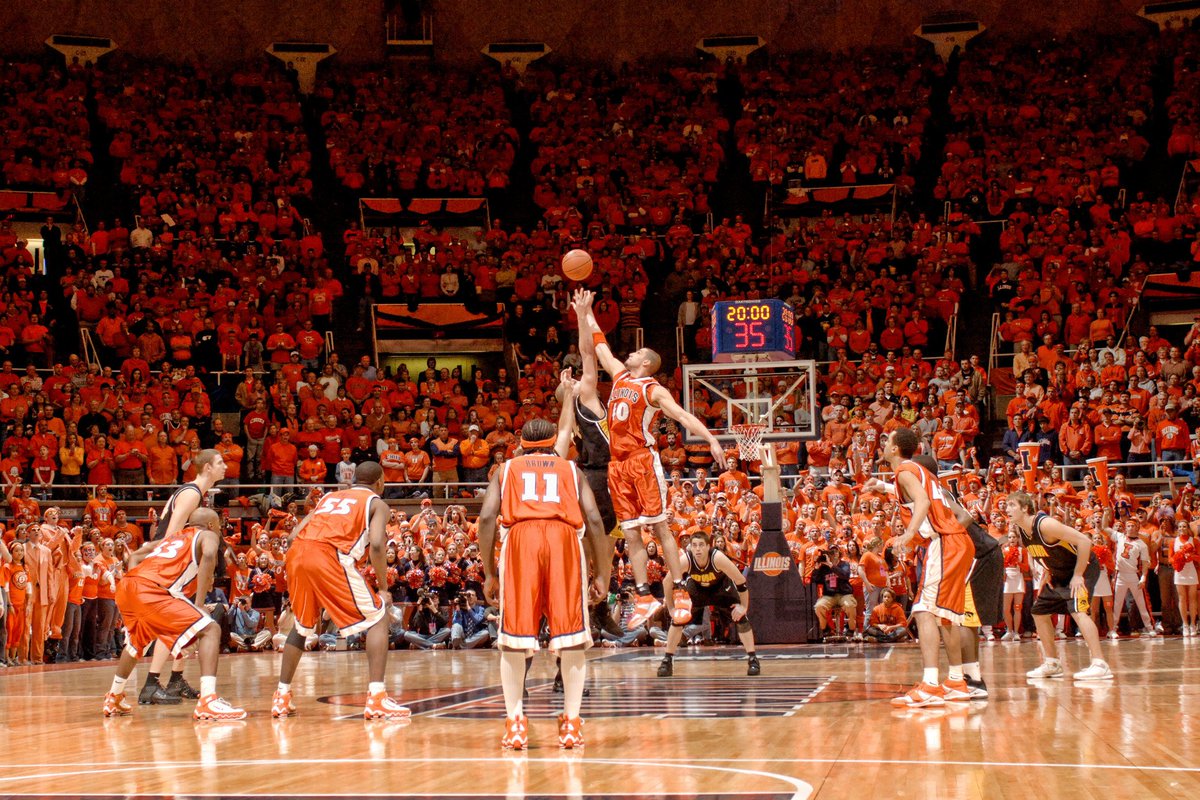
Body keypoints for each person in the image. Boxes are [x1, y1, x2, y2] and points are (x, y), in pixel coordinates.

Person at [573, 288, 726, 630]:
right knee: (630, 534)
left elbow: (684, 417)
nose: (631, 352)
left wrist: (712, 438)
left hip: (643, 461)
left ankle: (683, 589)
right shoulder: (620, 376)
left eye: (638, 351)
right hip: (618, 465)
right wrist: (585, 312)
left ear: (646, 362)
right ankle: (644, 596)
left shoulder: (653, 389)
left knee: (658, 526)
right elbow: (599, 346)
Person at [477, 418, 610, 750]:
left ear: (521, 442)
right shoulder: (570, 469)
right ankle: (572, 725)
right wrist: (602, 572)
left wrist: (490, 572)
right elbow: (594, 519)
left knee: (514, 639)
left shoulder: (505, 470)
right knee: (571, 638)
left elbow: (485, 516)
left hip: (521, 540)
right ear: (554, 443)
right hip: (563, 540)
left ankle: (516, 723)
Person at [273, 462, 410, 720]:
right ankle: (377, 697)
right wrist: (382, 587)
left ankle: (281, 696)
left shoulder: (329, 497)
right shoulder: (377, 503)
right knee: (379, 616)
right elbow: (379, 545)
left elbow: (292, 537)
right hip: (329, 555)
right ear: (380, 482)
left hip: (298, 553)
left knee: (302, 627)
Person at [864, 427, 975, 709]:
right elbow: (923, 497)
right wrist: (883, 487)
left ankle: (929, 685)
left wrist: (907, 534)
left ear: (895, 448)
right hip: (956, 543)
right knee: (945, 616)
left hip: (945, 543)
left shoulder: (904, 471)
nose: (883, 445)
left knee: (925, 611)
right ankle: (956, 681)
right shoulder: (918, 472)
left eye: (886, 441)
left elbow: (923, 502)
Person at [102, 508, 246, 720]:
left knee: (135, 643)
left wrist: (130, 576)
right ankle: (208, 701)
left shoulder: (172, 538)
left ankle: (114, 696)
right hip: (154, 589)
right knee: (211, 629)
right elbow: (207, 554)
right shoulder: (208, 534)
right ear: (212, 525)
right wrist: (198, 604)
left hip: (130, 585)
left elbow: (136, 555)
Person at [138, 448, 227, 706]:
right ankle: (151, 684)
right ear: (208, 467)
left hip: (177, 560)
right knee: (173, 622)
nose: (225, 466)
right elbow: (171, 533)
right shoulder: (191, 493)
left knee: (186, 621)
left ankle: (175, 678)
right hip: (168, 561)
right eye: (220, 462)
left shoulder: (194, 492)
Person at [1006, 491, 1113, 681]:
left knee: (1078, 610)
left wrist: (1079, 575)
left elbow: (1084, 541)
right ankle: (1052, 663)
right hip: (1059, 573)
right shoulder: (1022, 530)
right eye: (1006, 506)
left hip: (1083, 568)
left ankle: (1100, 663)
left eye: (1012, 505)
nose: (1007, 509)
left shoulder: (1045, 524)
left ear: (1025, 508)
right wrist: (1047, 569)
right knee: (1039, 611)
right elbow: (1041, 551)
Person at [657, 531, 759, 677]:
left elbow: (741, 582)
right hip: (697, 588)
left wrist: (743, 607)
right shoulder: (686, 560)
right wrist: (671, 608)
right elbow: (667, 581)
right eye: (694, 545)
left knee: (741, 619)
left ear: (708, 547)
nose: (697, 549)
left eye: (701, 545)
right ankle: (667, 660)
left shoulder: (717, 558)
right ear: (690, 547)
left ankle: (753, 659)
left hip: (721, 587)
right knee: (678, 619)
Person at [811, 545, 860, 642]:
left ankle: (851, 629)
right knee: (818, 606)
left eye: (836, 551)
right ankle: (825, 629)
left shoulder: (844, 564)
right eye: (831, 552)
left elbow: (845, 575)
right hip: (829, 595)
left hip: (844, 594)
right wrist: (816, 568)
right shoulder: (824, 567)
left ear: (839, 554)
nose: (834, 553)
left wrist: (831, 566)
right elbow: (815, 580)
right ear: (828, 554)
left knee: (850, 605)